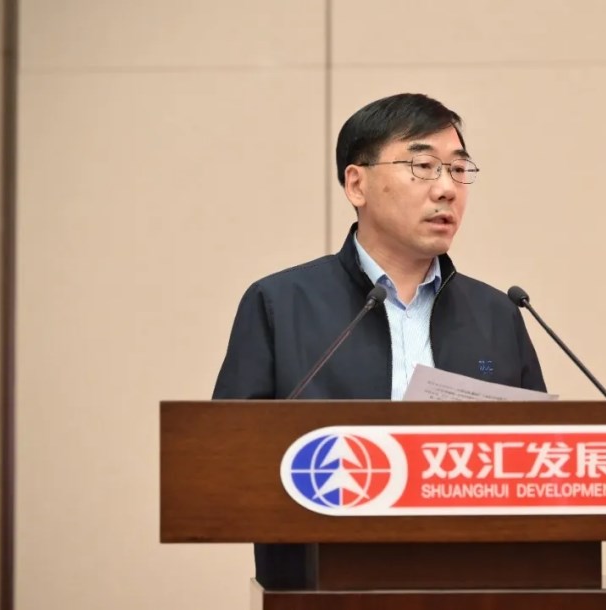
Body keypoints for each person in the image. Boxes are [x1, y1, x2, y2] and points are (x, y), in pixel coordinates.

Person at [212, 92, 546, 589]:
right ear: (357, 183)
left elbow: (540, 465)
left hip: (474, 586)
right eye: (423, 167)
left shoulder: (498, 314)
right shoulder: (280, 303)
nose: (447, 189)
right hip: (323, 588)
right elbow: (227, 462)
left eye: (459, 170)